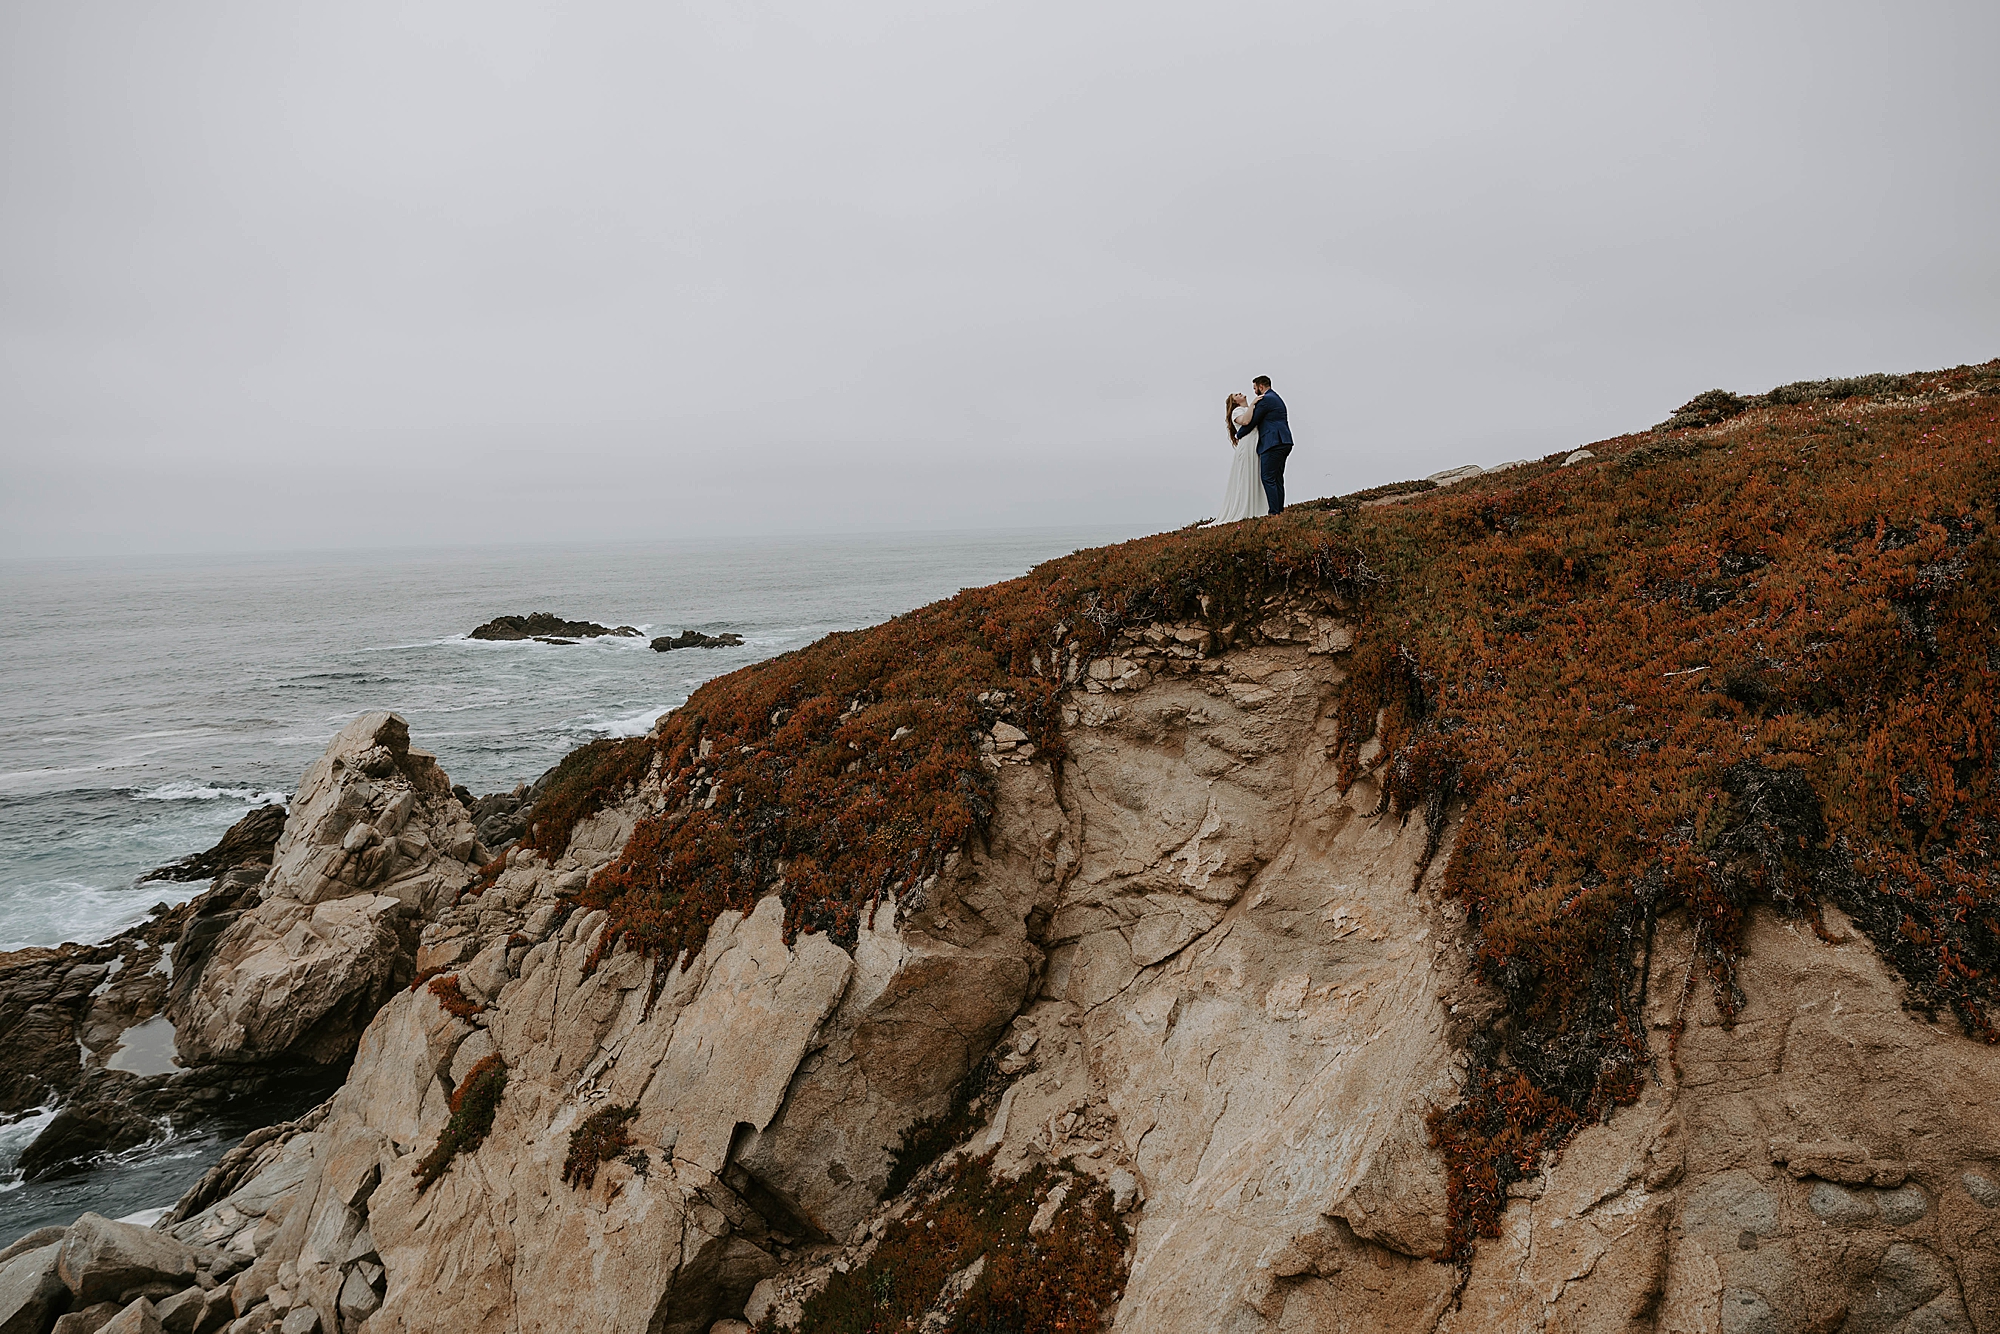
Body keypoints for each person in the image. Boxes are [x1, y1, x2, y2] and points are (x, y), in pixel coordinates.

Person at [1232, 376, 1293, 514]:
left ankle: (1274, 512)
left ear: (1260, 387)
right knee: (1277, 478)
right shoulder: (1276, 397)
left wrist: (1238, 435)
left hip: (1273, 443)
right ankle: (1279, 510)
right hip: (1284, 441)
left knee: (1268, 477)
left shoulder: (1265, 399)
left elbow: (1252, 421)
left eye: (1255, 388)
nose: (1254, 392)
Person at [1216, 391, 1269, 522]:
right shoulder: (1237, 411)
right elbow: (1245, 421)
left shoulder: (1249, 408)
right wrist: (1252, 405)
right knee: (1246, 475)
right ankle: (1245, 508)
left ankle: (1259, 507)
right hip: (1247, 446)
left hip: (1256, 444)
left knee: (1256, 474)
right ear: (1235, 402)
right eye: (1236, 395)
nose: (1240, 393)